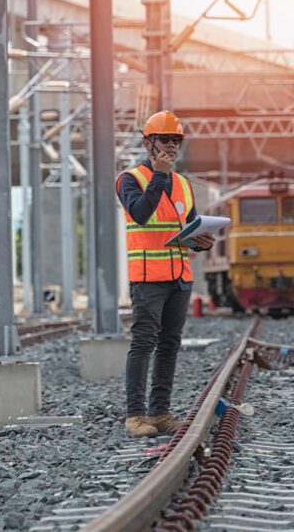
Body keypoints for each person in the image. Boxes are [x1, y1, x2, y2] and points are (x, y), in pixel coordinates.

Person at [115, 110, 216, 438]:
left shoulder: (185, 185)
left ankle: (159, 412)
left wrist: (201, 241)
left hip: (179, 276)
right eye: (165, 140)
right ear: (148, 143)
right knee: (143, 342)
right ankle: (135, 417)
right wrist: (159, 175)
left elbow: (188, 228)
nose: (171, 146)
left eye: (176, 141)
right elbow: (141, 214)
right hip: (147, 276)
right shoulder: (131, 179)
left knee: (170, 344)